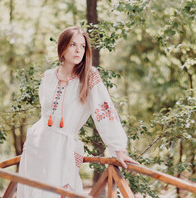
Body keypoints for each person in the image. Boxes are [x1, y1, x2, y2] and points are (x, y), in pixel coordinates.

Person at [17, 26, 138, 197]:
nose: (78, 50)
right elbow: (46, 114)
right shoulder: (48, 76)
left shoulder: (89, 77)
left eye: (82, 46)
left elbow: (104, 111)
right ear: (63, 47)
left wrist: (119, 149)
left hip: (63, 148)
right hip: (37, 146)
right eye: (73, 44)